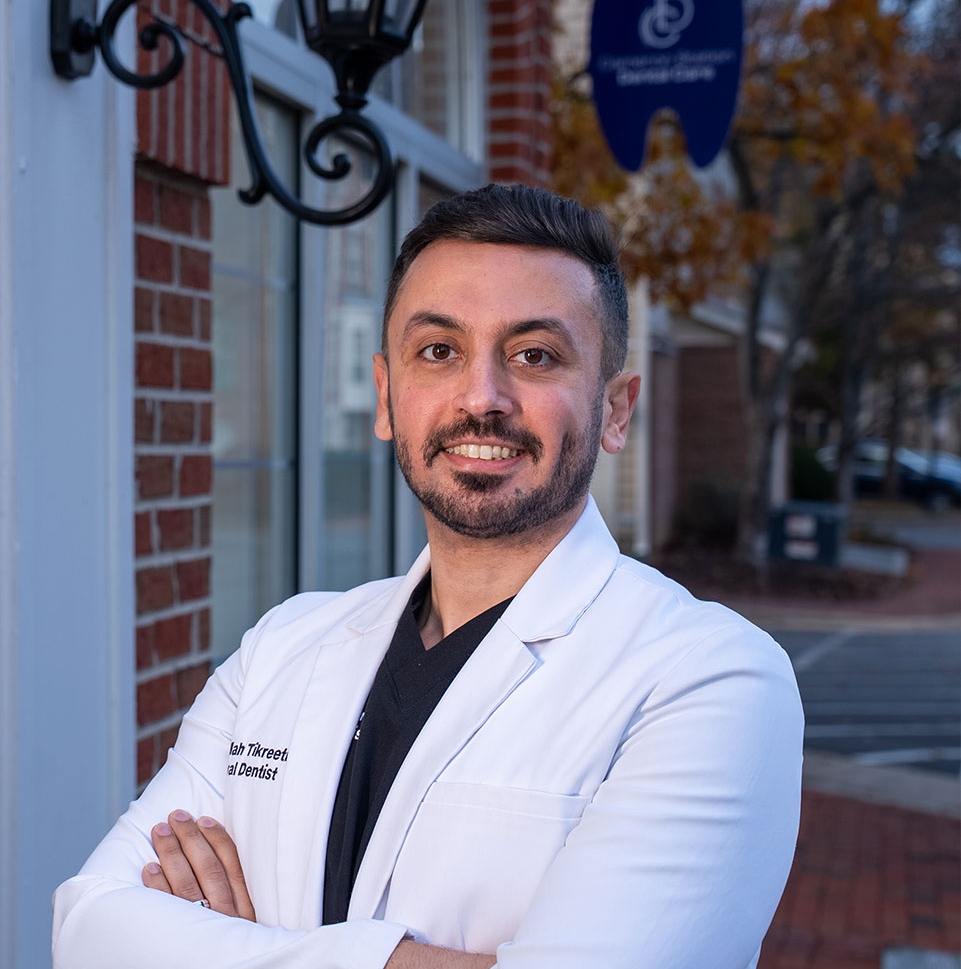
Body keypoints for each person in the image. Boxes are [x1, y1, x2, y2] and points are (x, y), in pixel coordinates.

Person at [52, 184, 803, 969]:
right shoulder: (283, 645)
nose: (482, 398)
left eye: (535, 355)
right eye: (438, 351)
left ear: (615, 409)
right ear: (386, 396)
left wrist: (230, 946)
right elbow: (89, 925)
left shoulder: (708, 678)